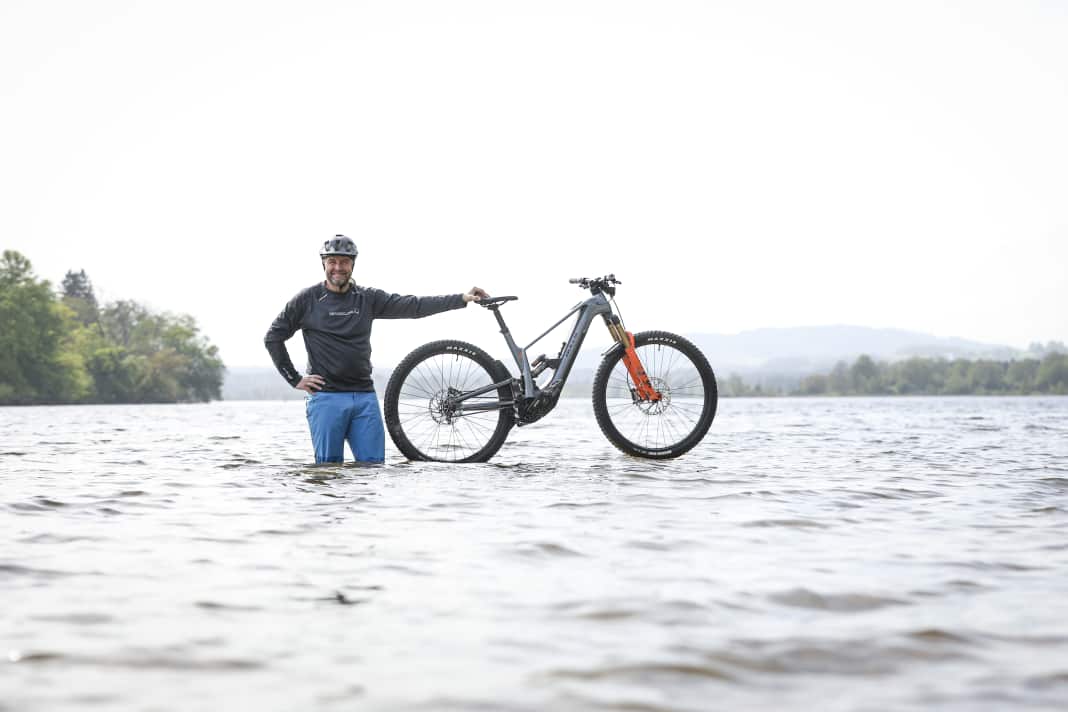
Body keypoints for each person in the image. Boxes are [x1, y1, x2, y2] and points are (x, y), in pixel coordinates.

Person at [265, 235, 488, 464]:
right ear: (323, 263)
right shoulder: (307, 299)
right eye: (332, 261)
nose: (338, 268)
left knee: (373, 471)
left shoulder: (367, 298)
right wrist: (294, 379)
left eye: (344, 262)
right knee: (328, 472)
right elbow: (273, 337)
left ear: (353, 264)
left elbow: (414, 305)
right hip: (326, 398)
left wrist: (461, 299)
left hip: (364, 398)